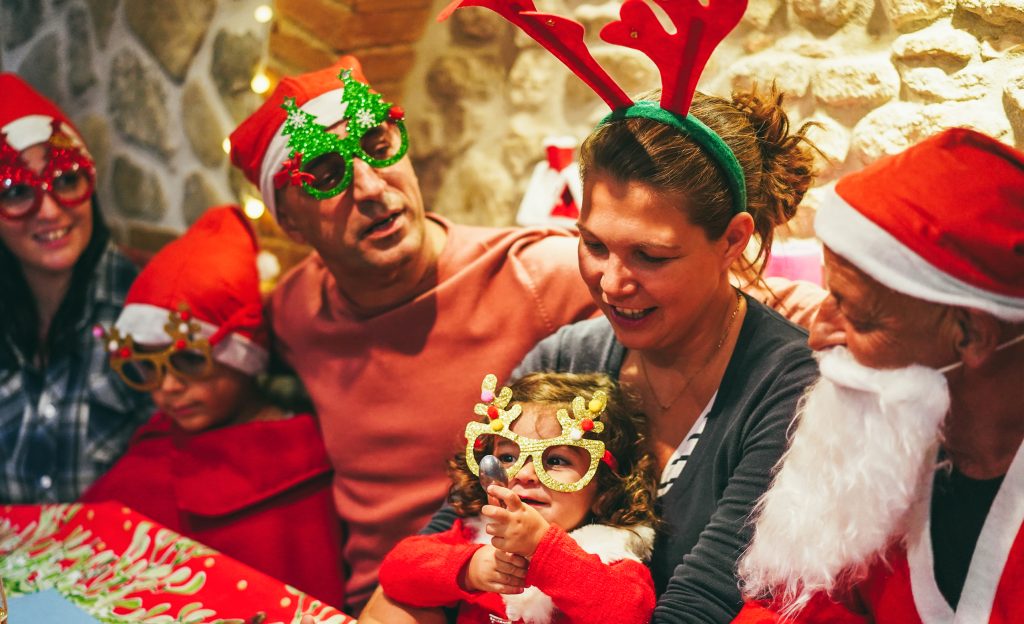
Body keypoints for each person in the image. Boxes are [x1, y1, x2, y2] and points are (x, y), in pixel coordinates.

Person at [414, 4, 823, 622]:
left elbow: (699, 608)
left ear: (733, 240)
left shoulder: (786, 386)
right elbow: (453, 537)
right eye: (595, 244)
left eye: (651, 256)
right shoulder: (565, 359)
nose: (611, 283)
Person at [228, 56, 597, 612]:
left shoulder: (536, 273)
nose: (372, 188)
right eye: (326, 175)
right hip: (370, 601)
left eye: (377, 146)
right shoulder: (294, 311)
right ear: (291, 222)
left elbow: (713, 297)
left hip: (500, 596)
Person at [733, 128, 1024, 623]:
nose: (816, 336)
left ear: (972, 336)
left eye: (860, 317)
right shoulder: (893, 448)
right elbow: (789, 605)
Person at [79, 205, 345, 607]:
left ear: (242, 357)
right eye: (146, 367)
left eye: (187, 361)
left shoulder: (303, 463)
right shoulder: (154, 452)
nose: (168, 387)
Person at [377, 371, 658, 624]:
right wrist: (469, 569)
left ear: (606, 489)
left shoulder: (613, 555)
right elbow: (395, 572)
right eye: (509, 457)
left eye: (557, 460)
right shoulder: (476, 536)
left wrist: (542, 549)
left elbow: (630, 615)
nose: (525, 474)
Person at [0, 73, 150, 503]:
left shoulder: (145, 306)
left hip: (121, 561)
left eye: (66, 179)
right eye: (15, 192)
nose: (48, 211)